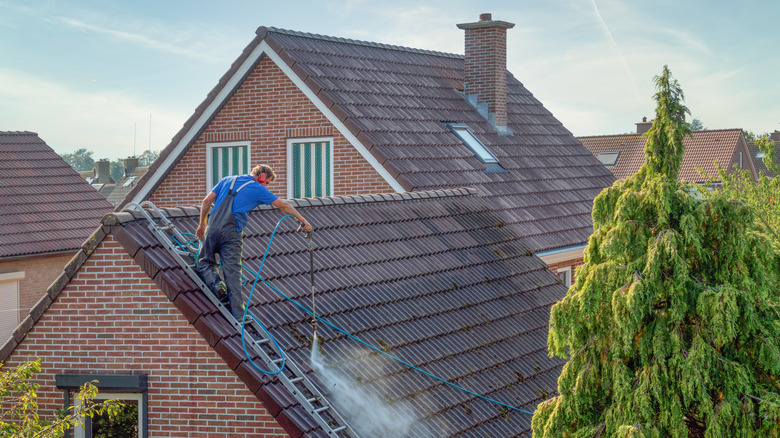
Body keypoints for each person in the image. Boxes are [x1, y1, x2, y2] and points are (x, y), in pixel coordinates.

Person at [196, 164, 312, 320]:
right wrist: (303, 221)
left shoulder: (226, 180)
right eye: (268, 182)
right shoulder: (258, 188)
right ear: (262, 177)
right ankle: (238, 315)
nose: (266, 186)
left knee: (204, 262)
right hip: (232, 233)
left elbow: (206, 201)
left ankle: (215, 284)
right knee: (233, 273)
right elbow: (283, 205)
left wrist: (202, 226)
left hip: (211, 228)